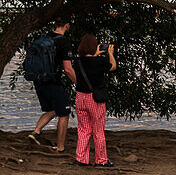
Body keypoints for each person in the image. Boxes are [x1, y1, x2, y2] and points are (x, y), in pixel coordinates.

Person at [69, 34, 116, 166]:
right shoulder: (99, 62)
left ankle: (81, 158)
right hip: (94, 99)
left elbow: (86, 65)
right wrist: (110, 53)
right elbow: (112, 67)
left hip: (80, 97)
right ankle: (101, 160)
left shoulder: (77, 62)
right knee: (98, 129)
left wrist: (95, 54)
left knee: (83, 129)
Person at [28, 19, 73, 153]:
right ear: (66, 25)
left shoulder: (44, 38)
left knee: (53, 109)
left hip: (39, 80)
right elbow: (68, 69)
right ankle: (60, 148)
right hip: (53, 81)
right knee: (64, 113)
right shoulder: (63, 42)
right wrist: (78, 83)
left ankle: (36, 132)